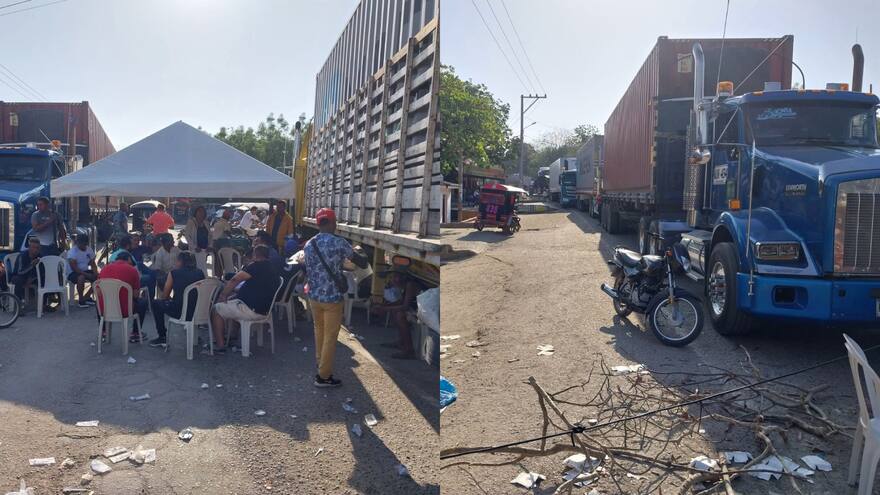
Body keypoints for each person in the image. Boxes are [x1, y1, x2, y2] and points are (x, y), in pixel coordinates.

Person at [303, 208, 368, 387]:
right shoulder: (339, 243)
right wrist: (360, 251)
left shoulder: (309, 244)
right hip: (332, 298)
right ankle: (323, 377)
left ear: (318, 223)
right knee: (331, 336)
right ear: (332, 223)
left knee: (319, 331)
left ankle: (320, 363)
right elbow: (362, 263)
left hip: (313, 296)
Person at [210, 245, 280, 353]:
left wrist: (223, 295)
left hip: (250, 309)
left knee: (216, 309)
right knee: (234, 300)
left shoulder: (255, 266)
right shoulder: (272, 267)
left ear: (255, 255)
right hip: (265, 309)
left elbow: (235, 279)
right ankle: (232, 336)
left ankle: (220, 345)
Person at [148, 251, 205, 348]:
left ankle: (162, 336)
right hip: (198, 311)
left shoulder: (174, 273)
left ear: (180, 261)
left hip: (181, 311)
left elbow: (165, 295)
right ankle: (194, 335)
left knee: (156, 304)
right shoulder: (200, 272)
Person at [372, 268, 424, 359]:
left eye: (395, 277)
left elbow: (405, 306)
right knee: (395, 312)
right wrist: (385, 306)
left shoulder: (410, 285)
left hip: (420, 309)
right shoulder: (403, 285)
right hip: (415, 307)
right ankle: (401, 342)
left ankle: (409, 350)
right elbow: (401, 301)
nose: (392, 280)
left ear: (402, 277)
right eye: (392, 277)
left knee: (400, 315)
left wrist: (385, 308)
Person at [98, 251, 148, 343]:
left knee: (99, 302)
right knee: (143, 302)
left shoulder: (104, 269)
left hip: (105, 309)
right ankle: (135, 333)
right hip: (125, 310)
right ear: (129, 259)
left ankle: (104, 331)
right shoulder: (133, 270)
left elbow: (98, 293)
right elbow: (136, 295)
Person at [67, 234, 98, 308]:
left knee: (99, 278)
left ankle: (86, 297)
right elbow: (75, 268)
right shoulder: (73, 252)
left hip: (85, 270)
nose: (81, 245)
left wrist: (95, 273)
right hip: (73, 273)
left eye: (84, 243)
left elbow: (92, 263)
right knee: (81, 278)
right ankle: (81, 300)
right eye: (79, 243)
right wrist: (87, 275)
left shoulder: (89, 250)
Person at [11, 237, 42, 305]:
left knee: (44, 279)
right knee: (18, 280)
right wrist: (31, 265)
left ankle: (43, 304)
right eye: (33, 247)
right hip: (19, 276)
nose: (35, 250)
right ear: (29, 247)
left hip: (32, 277)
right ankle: (18, 305)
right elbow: (19, 272)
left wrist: (32, 278)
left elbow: (41, 271)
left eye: (37, 248)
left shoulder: (39, 256)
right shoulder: (22, 256)